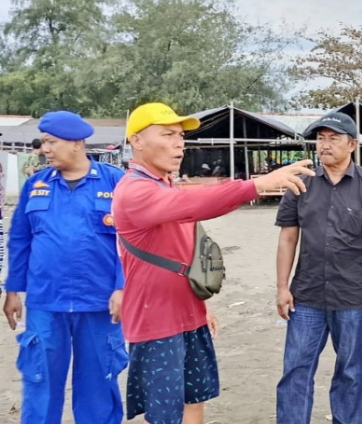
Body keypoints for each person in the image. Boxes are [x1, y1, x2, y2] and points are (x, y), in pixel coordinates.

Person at [112, 102, 314, 424]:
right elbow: (195, 203)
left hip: (187, 312)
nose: (179, 143)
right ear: (136, 141)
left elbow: (183, 254)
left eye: (180, 136)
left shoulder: (164, 184)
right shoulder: (135, 190)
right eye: (167, 135)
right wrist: (255, 185)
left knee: (195, 399)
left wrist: (201, 305)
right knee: (165, 414)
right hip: (157, 320)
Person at [275, 112, 362, 424]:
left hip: (355, 296)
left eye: (333, 138)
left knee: (351, 372)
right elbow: (288, 238)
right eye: (320, 138)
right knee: (295, 369)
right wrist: (281, 287)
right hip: (306, 297)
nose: (325, 145)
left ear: (353, 144)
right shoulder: (300, 184)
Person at [3, 111, 127, 424]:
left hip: (100, 304)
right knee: (40, 381)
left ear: (76, 143)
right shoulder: (35, 184)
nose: (45, 148)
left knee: (99, 385)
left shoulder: (116, 183)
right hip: (46, 302)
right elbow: (19, 240)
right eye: (44, 141)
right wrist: (12, 290)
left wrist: (123, 286)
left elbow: (131, 243)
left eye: (51, 141)